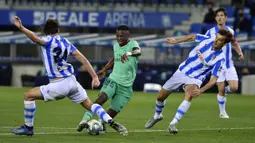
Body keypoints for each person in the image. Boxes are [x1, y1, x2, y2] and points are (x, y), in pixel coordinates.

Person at [10, 16, 128, 136]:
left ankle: (28, 128)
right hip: (72, 81)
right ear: (58, 30)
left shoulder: (47, 41)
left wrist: (21, 27)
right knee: (90, 105)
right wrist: (94, 77)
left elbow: (35, 38)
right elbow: (83, 59)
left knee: (28, 96)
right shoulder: (65, 41)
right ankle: (110, 120)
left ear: (46, 32)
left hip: (58, 84)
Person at [145, 29, 233, 134]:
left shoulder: (220, 59)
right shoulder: (207, 39)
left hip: (195, 78)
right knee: (160, 96)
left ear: (224, 43)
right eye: (216, 37)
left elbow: (213, 79)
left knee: (189, 94)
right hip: (182, 70)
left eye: (219, 40)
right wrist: (176, 41)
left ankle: (173, 123)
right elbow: (192, 36)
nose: (216, 40)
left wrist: (201, 90)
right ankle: (157, 116)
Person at [76, 25, 141, 133]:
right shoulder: (116, 46)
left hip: (126, 87)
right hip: (113, 80)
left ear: (128, 35)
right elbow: (114, 59)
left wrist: (128, 53)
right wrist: (104, 70)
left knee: (112, 112)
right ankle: (84, 120)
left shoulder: (133, 44)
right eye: (117, 35)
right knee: (101, 99)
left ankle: (99, 126)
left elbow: (137, 52)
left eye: (122, 36)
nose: (119, 38)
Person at [205, 8, 244, 118]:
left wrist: (240, 52)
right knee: (220, 90)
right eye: (218, 16)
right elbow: (206, 46)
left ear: (225, 18)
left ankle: (226, 91)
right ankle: (222, 112)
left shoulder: (230, 31)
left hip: (229, 64)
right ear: (215, 18)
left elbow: (235, 43)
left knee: (234, 88)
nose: (220, 17)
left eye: (222, 15)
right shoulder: (211, 32)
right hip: (218, 66)